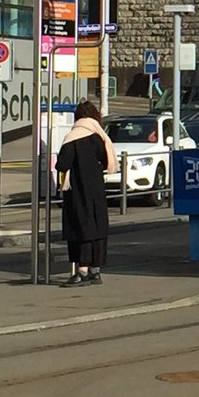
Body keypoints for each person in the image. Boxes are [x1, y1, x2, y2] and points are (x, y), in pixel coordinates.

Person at [55, 101, 118, 287]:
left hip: (77, 190)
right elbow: (107, 160)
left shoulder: (72, 137)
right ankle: (95, 271)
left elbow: (62, 164)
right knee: (97, 228)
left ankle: (81, 271)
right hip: (97, 189)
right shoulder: (99, 136)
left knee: (80, 229)